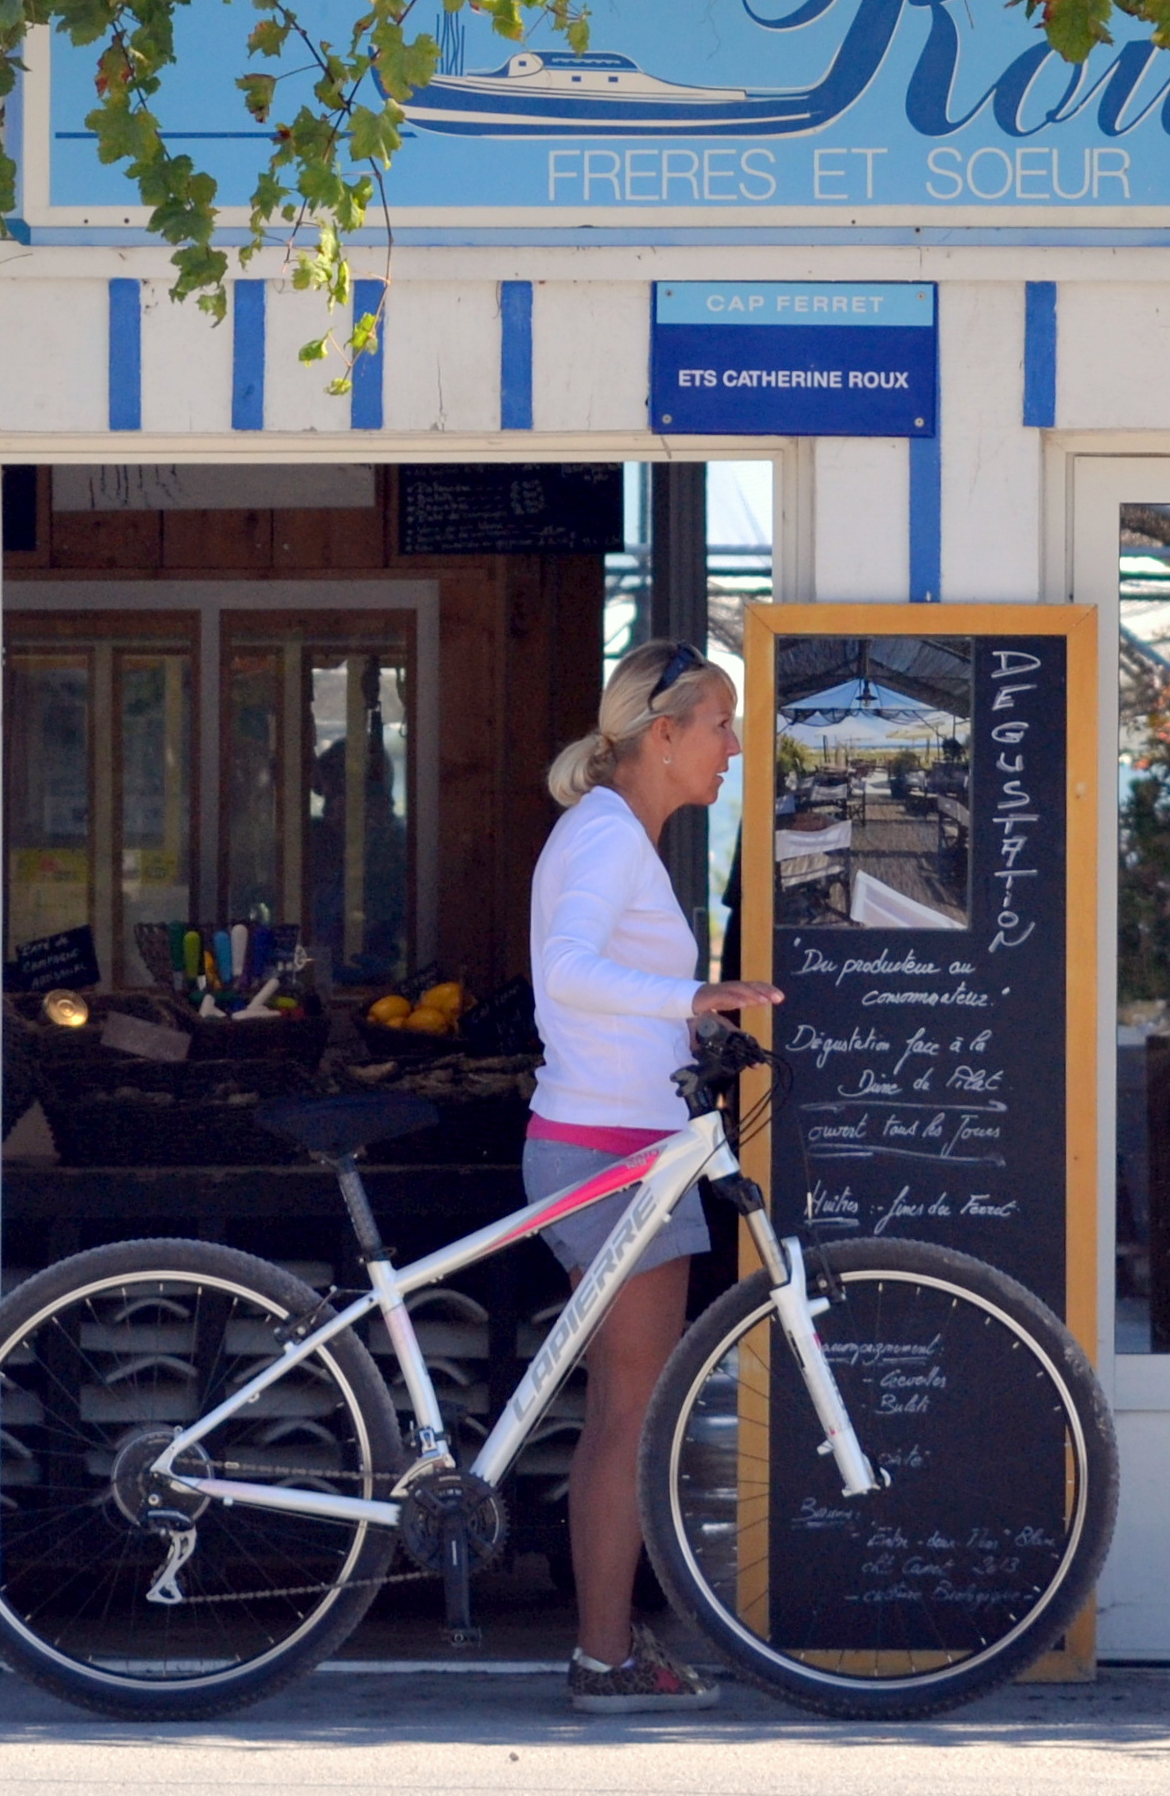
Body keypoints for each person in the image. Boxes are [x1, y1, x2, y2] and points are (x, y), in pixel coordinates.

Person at [527, 638, 781, 1711]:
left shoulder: (617, 835)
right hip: (611, 1155)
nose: (734, 745)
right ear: (662, 733)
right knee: (631, 1412)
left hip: (627, 1145)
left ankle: (606, 1645)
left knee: (625, 1409)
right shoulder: (607, 840)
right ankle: (603, 1657)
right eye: (719, 723)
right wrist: (690, 1000)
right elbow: (567, 974)